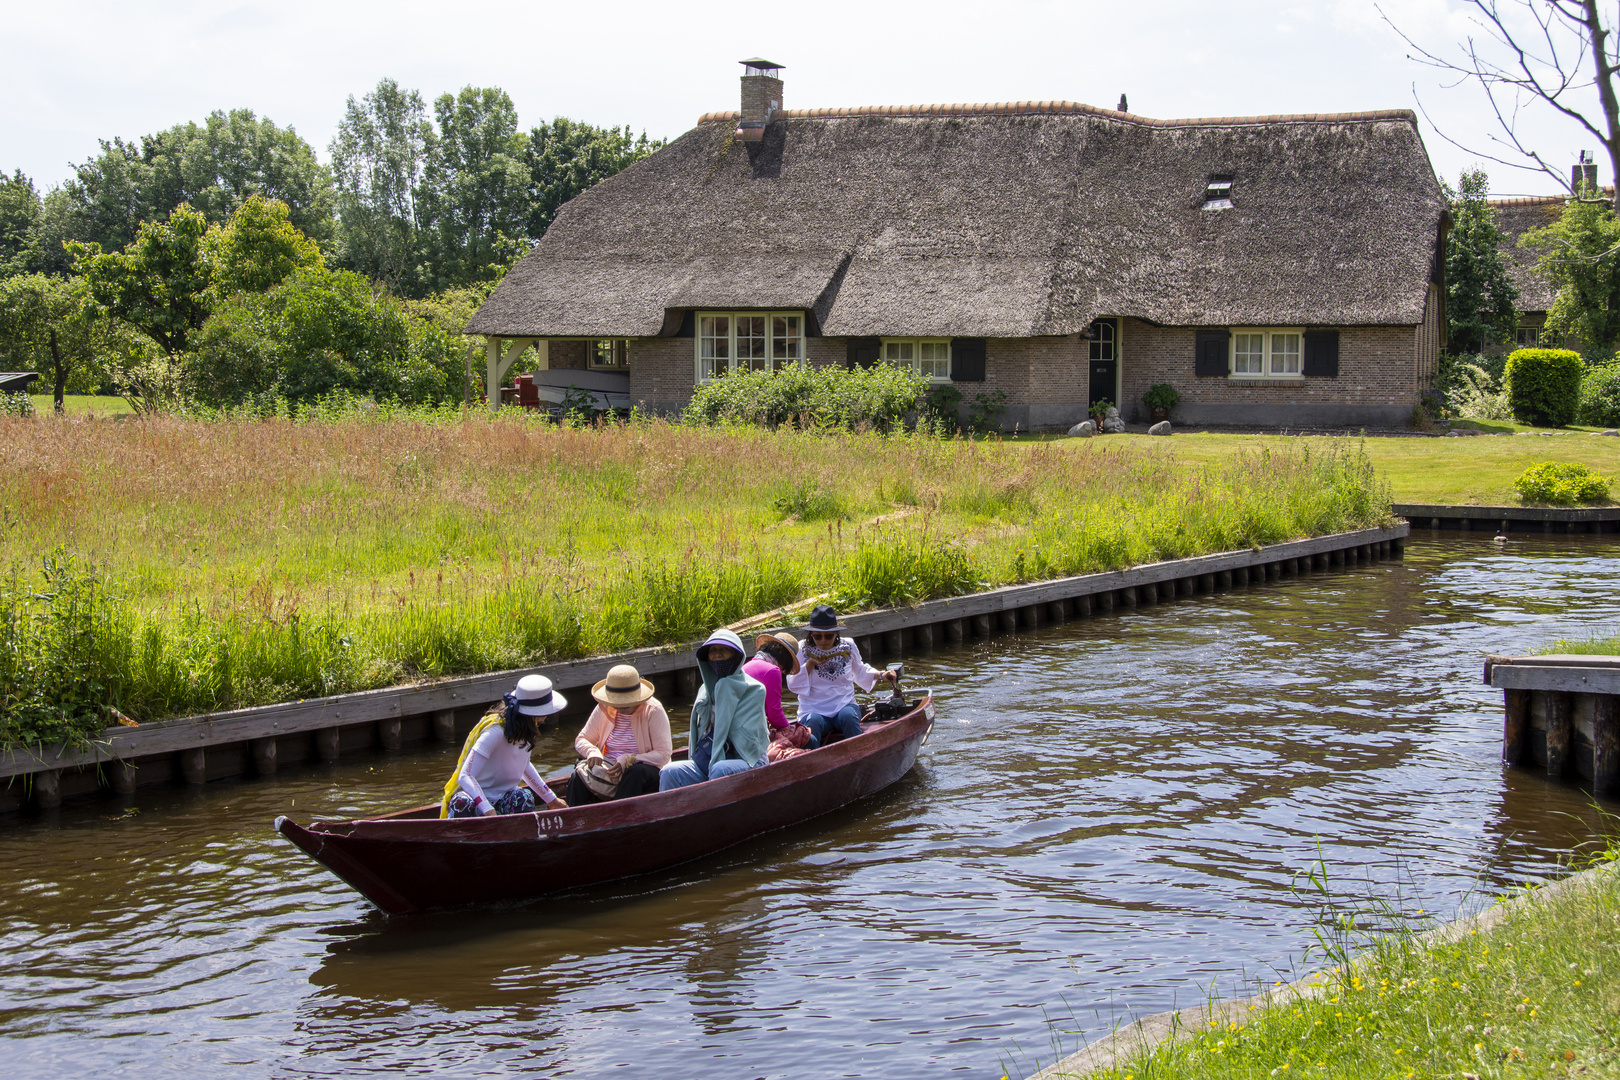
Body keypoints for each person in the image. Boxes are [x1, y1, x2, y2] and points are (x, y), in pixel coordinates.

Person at [441, 674, 568, 818]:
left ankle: (515, 836)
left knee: (524, 797)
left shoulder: (527, 731)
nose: (546, 716)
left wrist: (551, 799)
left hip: (503, 800)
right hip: (478, 802)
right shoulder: (495, 733)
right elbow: (466, 776)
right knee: (461, 802)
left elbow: (524, 766)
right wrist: (487, 809)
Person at [659, 628, 771, 790]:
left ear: (737, 656)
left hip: (748, 759)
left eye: (724, 650)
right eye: (713, 650)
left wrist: (725, 690)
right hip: (710, 758)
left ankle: (715, 812)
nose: (717, 654)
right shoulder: (705, 691)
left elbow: (746, 737)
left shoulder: (754, 689)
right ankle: (673, 813)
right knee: (669, 771)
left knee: (720, 769)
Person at [786, 605, 896, 746]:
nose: (823, 641)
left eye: (829, 636)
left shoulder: (848, 646)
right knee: (813, 722)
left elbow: (860, 671)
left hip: (844, 705)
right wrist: (810, 664)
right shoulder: (802, 648)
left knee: (848, 716)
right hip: (813, 710)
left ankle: (859, 753)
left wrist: (881, 675)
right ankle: (812, 762)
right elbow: (792, 683)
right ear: (811, 635)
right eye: (818, 636)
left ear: (836, 634)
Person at [568, 664, 673, 804]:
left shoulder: (653, 710)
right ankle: (574, 819)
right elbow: (582, 739)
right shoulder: (604, 707)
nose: (620, 709)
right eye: (616, 704)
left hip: (644, 769)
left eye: (626, 705)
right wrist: (592, 752)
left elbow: (664, 754)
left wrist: (630, 759)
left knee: (635, 773)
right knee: (578, 775)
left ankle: (617, 816)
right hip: (610, 768)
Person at [744, 631, 815, 759]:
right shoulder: (773, 670)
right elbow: (774, 714)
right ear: (786, 660)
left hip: (744, 731)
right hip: (754, 734)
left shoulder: (746, 666)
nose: (783, 672)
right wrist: (790, 730)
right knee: (811, 739)